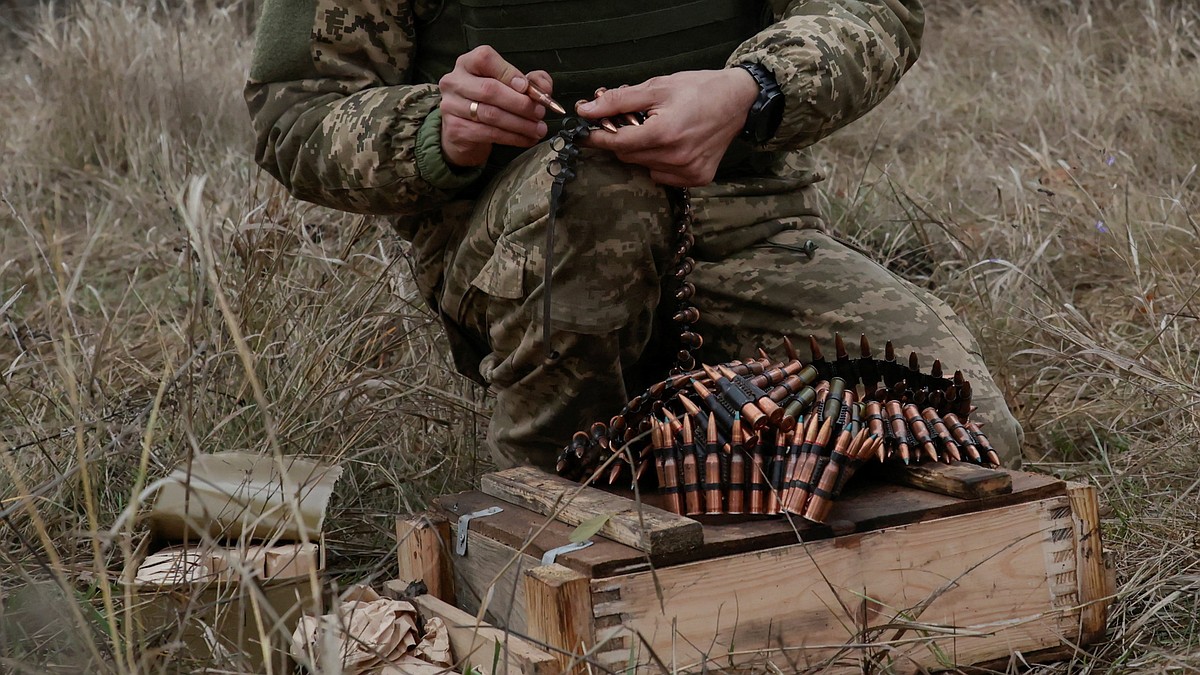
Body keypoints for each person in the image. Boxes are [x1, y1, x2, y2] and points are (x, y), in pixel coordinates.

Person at [245, 0, 1024, 469]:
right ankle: (542, 501)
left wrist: (750, 91)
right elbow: (296, 112)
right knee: (597, 183)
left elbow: (874, 11)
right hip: (522, 246)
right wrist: (437, 129)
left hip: (747, 230)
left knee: (969, 434)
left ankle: (716, 475)